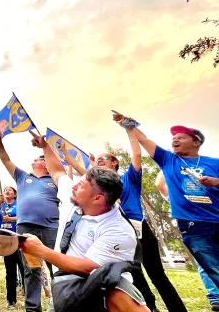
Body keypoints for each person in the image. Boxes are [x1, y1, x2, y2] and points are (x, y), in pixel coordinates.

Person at [59, 124, 187, 312]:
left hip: (139, 230)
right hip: (119, 235)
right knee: (133, 275)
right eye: (99, 160)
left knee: (157, 275)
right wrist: (65, 154)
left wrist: (129, 130)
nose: (101, 161)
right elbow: (80, 167)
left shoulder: (129, 178)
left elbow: (136, 156)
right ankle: (149, 308)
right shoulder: (99, 187)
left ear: (115, 164)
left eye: (106, 159)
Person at [19, 132, 148, 312]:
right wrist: (45, 147)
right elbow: (57, 171)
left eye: (82, 185)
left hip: (100, 292)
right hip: (65, 286)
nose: (74, 185)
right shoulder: (73, 197)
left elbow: (86, 267)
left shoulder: (119, 231)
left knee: (123, 298)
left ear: (97, 198)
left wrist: (40, 250)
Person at [114, 111, 219, 288]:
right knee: (214, 268)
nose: (175, 140)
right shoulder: (168, 160)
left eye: (181, 137)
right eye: (174, 138)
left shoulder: (214, 162)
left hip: (216, 217)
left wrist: (216, 182)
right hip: (193, 225)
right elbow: (144, 141)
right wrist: (127, 125)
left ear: (196, 142)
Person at [0, 131, 59, 312]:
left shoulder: (55, 179)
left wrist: (46, 147)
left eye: (41, 158)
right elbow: (5, 160)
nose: (37, 159)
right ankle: (32, 308)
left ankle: (61, 303)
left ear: (47, 164)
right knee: (31, 269)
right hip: (26, 228)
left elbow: (61, 166)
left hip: (51, 228)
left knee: (57, 267)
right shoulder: (23, 177)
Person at [156, 172, 219, 311]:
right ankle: (216, 298)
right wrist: (166, 165)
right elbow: (159, 184)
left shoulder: (210, 195)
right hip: (197, 233)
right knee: (205, 264)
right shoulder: (179, 197)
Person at [0, 185, 24, 307]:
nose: (7, 191)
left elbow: (23, 217)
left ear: (15, 194)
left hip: (18, 241)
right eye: (5, 190)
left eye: (10, 190)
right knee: (10, 272)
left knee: (24, 270)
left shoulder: (19, 204)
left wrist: (11, 219)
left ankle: (27, 294)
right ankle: (11, 300)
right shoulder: (2, 205)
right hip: (6, 242)